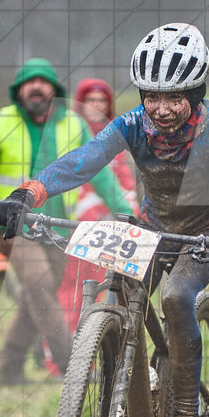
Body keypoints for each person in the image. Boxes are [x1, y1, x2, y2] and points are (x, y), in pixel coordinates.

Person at [0, 24, 209, 417]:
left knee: (175, 296)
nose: (161, 109)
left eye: (174, 98)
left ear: (196, 93)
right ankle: (132, 406)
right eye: (152, 96)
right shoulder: (132, 124)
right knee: (119, 290)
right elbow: (83, 161)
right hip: (152, 228)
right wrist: (27, 194)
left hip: (202, 236)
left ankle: (185, 416)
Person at [0, 58, 132, 384]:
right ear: (19, 90)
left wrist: (128, 213)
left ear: (54, 90)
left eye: (44, 82)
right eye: (30, 82)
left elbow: (99, 174)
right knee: (41, 285)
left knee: (36, 299)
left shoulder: (73, 124)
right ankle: (76, 370)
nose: (37, 87)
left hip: (57, 227)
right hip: (12, 229)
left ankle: (10, 371)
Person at [56, 78, 139, 331]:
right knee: (76, 286)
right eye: (90, 100)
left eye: (101, 100)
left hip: (111, 226)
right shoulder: (71, 133)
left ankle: (100, 342)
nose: (96, 105)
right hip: (79, 223)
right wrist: (93, 210)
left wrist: (130, 212)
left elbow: (123, 180)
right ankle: (66, 346)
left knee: (108, 283)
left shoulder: (116, 137)